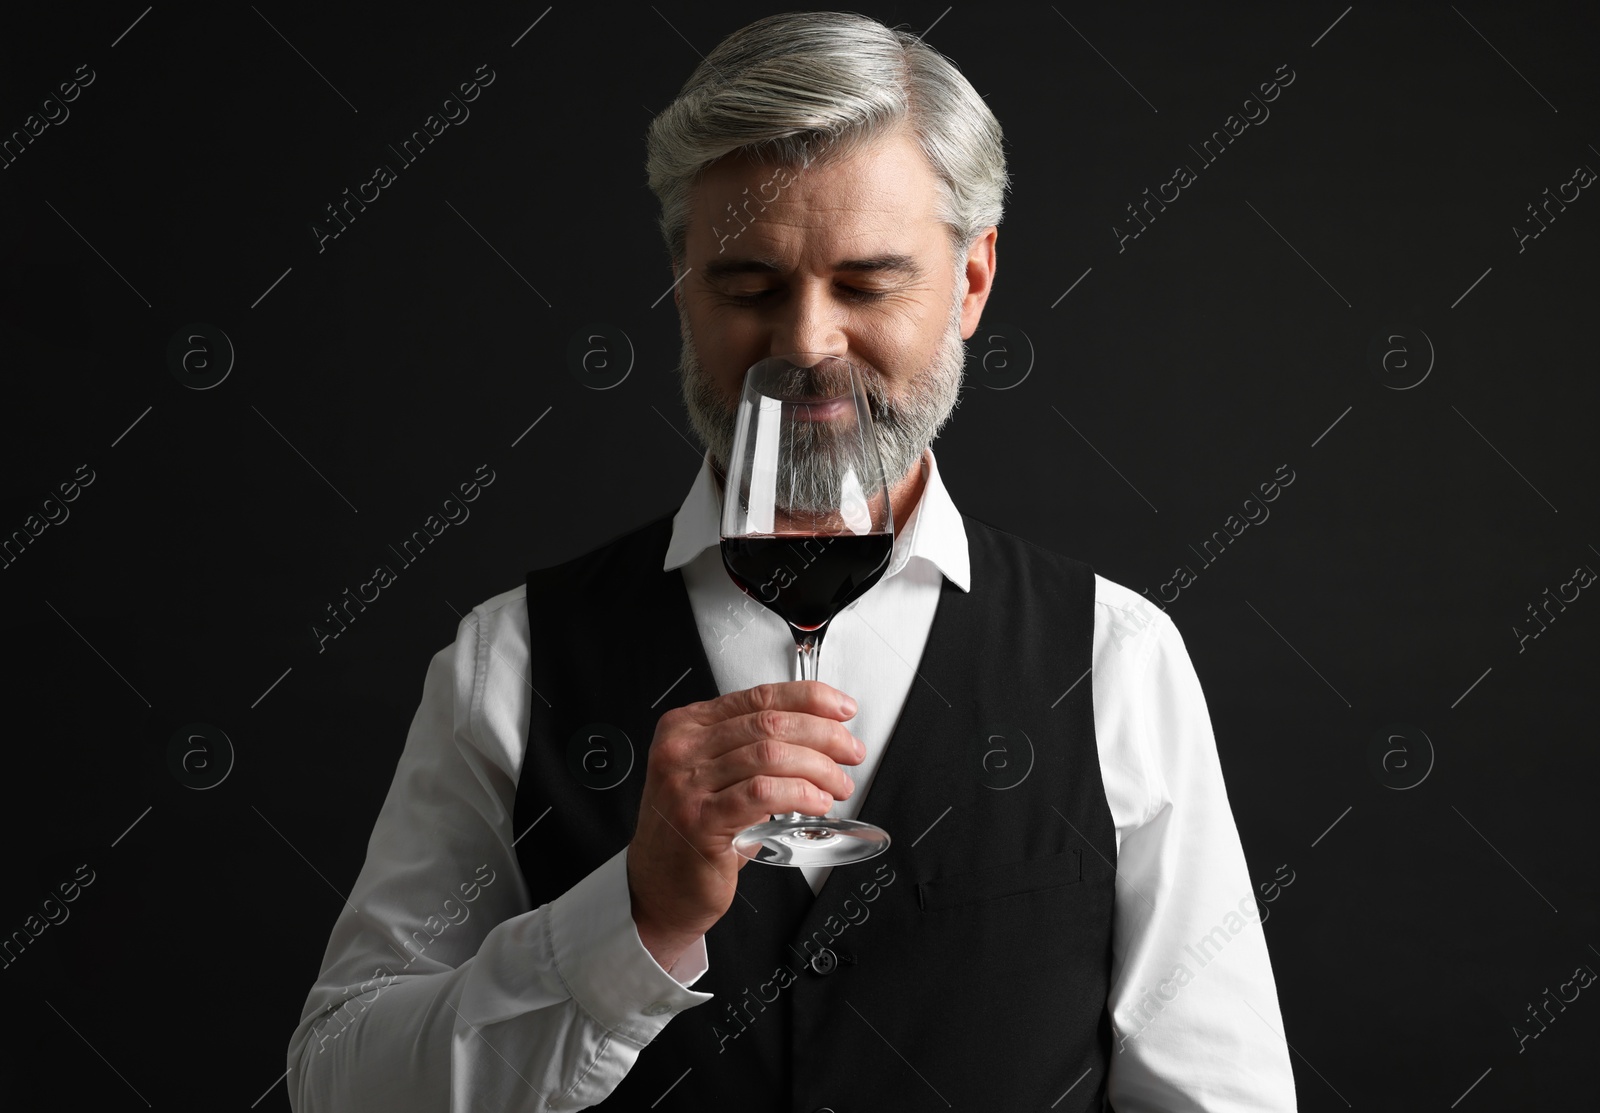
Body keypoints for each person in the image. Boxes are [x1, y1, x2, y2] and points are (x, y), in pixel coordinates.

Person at [286, 11, 1297, 1111]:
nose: (805, 346)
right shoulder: (509, 662)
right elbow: (340, 1083)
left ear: (970, 282)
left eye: (866, 284)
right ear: (681, 279)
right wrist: (634, 916)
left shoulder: (1116, 660)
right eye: (748, 286)